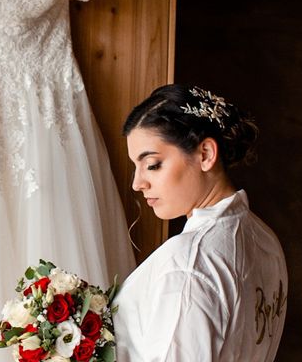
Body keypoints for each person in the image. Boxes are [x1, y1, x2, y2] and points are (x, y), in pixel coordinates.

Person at [113, 84, 287, 361]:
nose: (137, 183)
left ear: (205, 154)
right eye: (137, 166)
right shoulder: (265, 238)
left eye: (153, 164)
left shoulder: (188, 261)